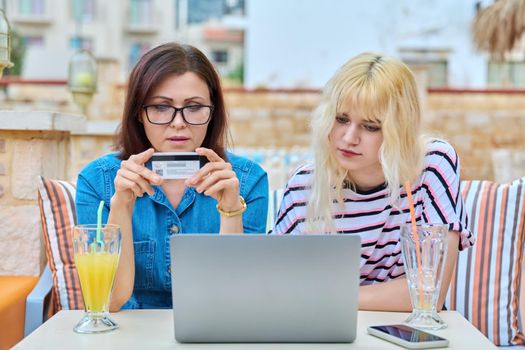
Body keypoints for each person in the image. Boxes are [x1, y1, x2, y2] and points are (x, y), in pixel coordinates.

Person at [271, 52, 474, 311]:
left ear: (400, 129)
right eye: (341, 119)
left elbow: (429, 292)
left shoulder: (432, 164)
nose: (349, 138)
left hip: (403, 335)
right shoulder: (305, 186)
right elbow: (280, 287)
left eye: (370, 126)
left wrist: (328, 297)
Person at [76, 43, 268, 311]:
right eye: (161, 107)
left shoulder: (248, 180)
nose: (178, 122)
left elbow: (238, 300)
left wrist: (230, 211)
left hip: (212, 330)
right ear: (139, 114)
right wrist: (121, 204)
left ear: (213, 113)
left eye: (194, 107)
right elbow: (109, 301)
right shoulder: (97, 181)